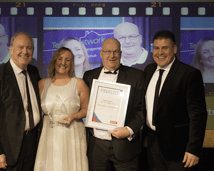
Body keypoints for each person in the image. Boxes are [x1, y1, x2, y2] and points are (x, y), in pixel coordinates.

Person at [143, 30, 207, 171]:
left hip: (179, 149)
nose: (160, 52)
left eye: (165, 48)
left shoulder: (189, 74)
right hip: (152, 144)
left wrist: (193, 149)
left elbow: (198, 115)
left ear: (175, 49)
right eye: (156, 48)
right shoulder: (148, 70)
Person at [0, 32, 42, 171]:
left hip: (33, 144)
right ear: (11, 49)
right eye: (20, 47)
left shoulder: (33, 72)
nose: (25, 51)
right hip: (7, 149)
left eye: (29, 48)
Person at [83, 38, 145, 171]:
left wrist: (129, 130)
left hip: (125, 145)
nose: (112, 55)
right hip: (96, 146)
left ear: (121, 53)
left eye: (116, 51)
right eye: (108, 51)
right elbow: (84, 106)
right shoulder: (89, 76)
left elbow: (142, 109)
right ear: (101, 53)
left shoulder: (137, 76)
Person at [34, 47, 89, 171]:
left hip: (73, 134)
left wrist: (73, 116)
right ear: (54, 61)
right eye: (60, 58)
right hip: (49, 135)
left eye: (68, 60)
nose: (63, 63)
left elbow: (87, 109)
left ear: (72, 63)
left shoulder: (79, 83)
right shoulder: (42, 84)